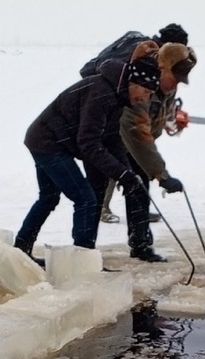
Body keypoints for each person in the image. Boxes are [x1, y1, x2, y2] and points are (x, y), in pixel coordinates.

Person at [14, 53, 162, 261]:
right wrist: (121, 174)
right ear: (132, 81)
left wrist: (127, 172)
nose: (144, 98)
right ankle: (82, 261)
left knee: (49, 198)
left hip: (48, 140)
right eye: (145, 91)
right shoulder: (101, 92)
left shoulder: (117, 96)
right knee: (86, 199)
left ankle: (20, 251)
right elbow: (89, 143)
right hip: (48, 143)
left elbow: (111, 139)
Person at [79, 23, 188, 224]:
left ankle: (138, 215)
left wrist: (171, 115)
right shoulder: (149, 61)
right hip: (116, 118)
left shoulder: (160, 62)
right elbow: (138, 118)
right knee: (115, 163)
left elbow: (158, 104)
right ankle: (103, 209)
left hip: (125, 120)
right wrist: (161, 174)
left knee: (131, 169)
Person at [114, 41, 196, 262]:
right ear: (162, 68)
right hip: (107, 138)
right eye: (174, 77)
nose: (175, 84)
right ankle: (85, 252)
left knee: (139, 187)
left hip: (134, 142)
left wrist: (173, 123)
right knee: (92, 195)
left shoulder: (168, 85)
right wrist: (161, 174)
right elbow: (138, 131)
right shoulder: (141, 84)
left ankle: (140, 245)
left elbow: (156, 123)